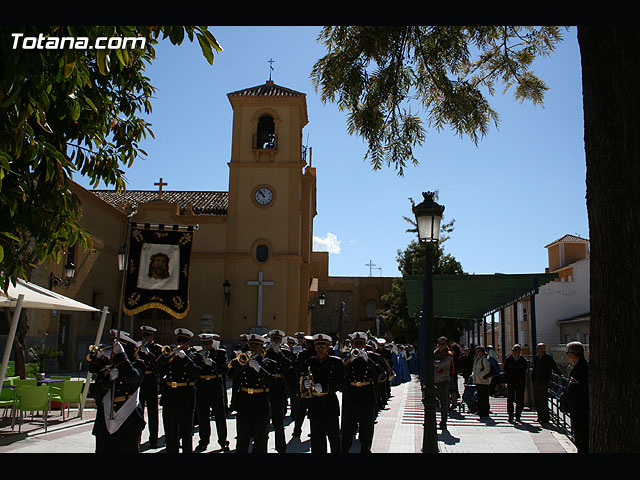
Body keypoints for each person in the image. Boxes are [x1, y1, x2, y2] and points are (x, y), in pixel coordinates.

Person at [87, 330, 146, 453]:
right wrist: (107, 381)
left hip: (128, 422)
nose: (112, 352)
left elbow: (133, 377)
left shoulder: (138, 365)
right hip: (105, 423)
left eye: (116, 349)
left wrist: (121, 358)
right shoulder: (106, 368)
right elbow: (95, 393)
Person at [227, 333, 277, 453]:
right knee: (242, 438)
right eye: (251, 345)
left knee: (260, 439)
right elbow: (230, 375)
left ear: (262, 348)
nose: (252, 348)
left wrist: (260, 369)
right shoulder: (242, 362)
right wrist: (239, 366)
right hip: (244, 402)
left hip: (261, 402)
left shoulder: (269, 363)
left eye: (256, 346)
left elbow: (272, 381)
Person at [154, 328, 201, 453]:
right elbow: (157, 368)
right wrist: (165, 357)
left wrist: (185, 359)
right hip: (170, 395)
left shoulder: (194, 356)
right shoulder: (171, 356)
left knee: (186, 432)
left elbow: (197, 373)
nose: (181, 344)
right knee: (171, 432)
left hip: (186, 395)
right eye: (179, 341)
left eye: (184, 341)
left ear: (188, 343)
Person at [301, 333, 345, 453]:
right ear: (314, 347)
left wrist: (325, 387)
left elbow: (341, 383)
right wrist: (305, 386)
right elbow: (303, 379)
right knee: (317, 442)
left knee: (334, 441)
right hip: (315, 406)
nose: (320, 349)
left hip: (330, 405)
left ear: (329, 347)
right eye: (318, 346)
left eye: (323, 346)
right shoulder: (309, 362)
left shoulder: (336, 362)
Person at [340, 332, 381, 453]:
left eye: (361, 343)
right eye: (356, 343)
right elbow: (339, 370)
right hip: (351, 393)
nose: (358, 346)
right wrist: (349, 359)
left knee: (367, 426)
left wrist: (368, 360)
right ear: (351, 343)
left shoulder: (373, 356)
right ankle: (345, 449)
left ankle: (366, 449)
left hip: (367, 393)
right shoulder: (346, 355)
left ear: (365, 344)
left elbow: (380, 374)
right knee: (347, 426)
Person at [193, 333, 230, 452]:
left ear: (212, 343)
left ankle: (223, 441)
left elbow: (225, 368)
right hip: (203, 386)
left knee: (220, 416)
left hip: (215, 386)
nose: (205, 346)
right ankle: (203, 441)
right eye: (203, 344)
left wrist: (213, 364)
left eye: (208, 343)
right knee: (203, 416)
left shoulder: (220, 353)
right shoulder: (197, 355)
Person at [265, 329, 292, 453]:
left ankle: (281, 446)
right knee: (264, 419)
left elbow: (288, 365)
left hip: (279, 386)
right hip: (266, 387)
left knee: (279, 420)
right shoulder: (265, 352)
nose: (276, 341)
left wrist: (279, 353)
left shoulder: (285, 352)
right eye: (274, 339)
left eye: (278, 339)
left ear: (281, 341)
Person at [560, 341, 589, 453]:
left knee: (581, 438)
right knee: (580, 437)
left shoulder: (580, 369)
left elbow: (574, 389)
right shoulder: (580, 367)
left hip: (580, 409)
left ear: (572, 354)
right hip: (578, 408)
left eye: (567, 353)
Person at [137, 325, 162, 449]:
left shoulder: (157, 349)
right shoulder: (138, 348)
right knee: (138, 411)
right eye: (144, 336)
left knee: (153, 412)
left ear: (153, 337)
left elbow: (159, 366)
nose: (146, 338)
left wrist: (149, 354)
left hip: (151, 380)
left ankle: (153, 439)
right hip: (140, 380)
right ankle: (137, 438)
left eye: (148, 336)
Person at [531, 342, 562, 424]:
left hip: (543, 381)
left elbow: (554, 366)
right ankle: (539, 416)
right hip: (536, 380)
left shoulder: (548, 358)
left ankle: (545, 417)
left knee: (543, 399)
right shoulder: (536, 357)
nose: (538, 349)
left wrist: (560, 374)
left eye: (540, 348)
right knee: (537, 399)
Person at [292, 334, 315, 438]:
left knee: (301, 409)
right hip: (314, 382)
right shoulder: (316, 354)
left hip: (304, 381)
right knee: (312, 409)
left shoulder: (302, 354)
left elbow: (296, 366)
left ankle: (297, 430)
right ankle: (313, 430)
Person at [503, 344, 529, 423]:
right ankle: (510, 415)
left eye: (517, 350)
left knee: (520, 399)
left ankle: (518, 414)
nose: (515, 352)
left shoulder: (523, 360)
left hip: (520, 382)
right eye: (514, 350)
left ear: (520, 351)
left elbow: (524, 371)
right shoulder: (508, 360)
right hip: (511, 381)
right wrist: (506, 381)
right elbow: (505, 371)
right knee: (510, 398)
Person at [433, 336, 453, 429]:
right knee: (431, 401)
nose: (441, 346)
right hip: (434, 380)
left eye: (444, 344)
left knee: (444, 402)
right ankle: (432, 420)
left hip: (443, 380)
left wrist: (433, 362)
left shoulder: (448, 355)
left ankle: (443, 422)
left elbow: (441, 364)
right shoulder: (435, 353)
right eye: (440, 344)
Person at [471, 345, 492, 418]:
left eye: (479, 351)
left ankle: (485, 411)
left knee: (484, 397)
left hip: (483, 381)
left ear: (482, 352)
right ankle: (480, 410)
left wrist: (480, 375)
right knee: (479, 397)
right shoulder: (477, 358)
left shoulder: (484, 359)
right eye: (476, 351)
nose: (477, 353)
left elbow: (487, 369)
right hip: (478, 381)